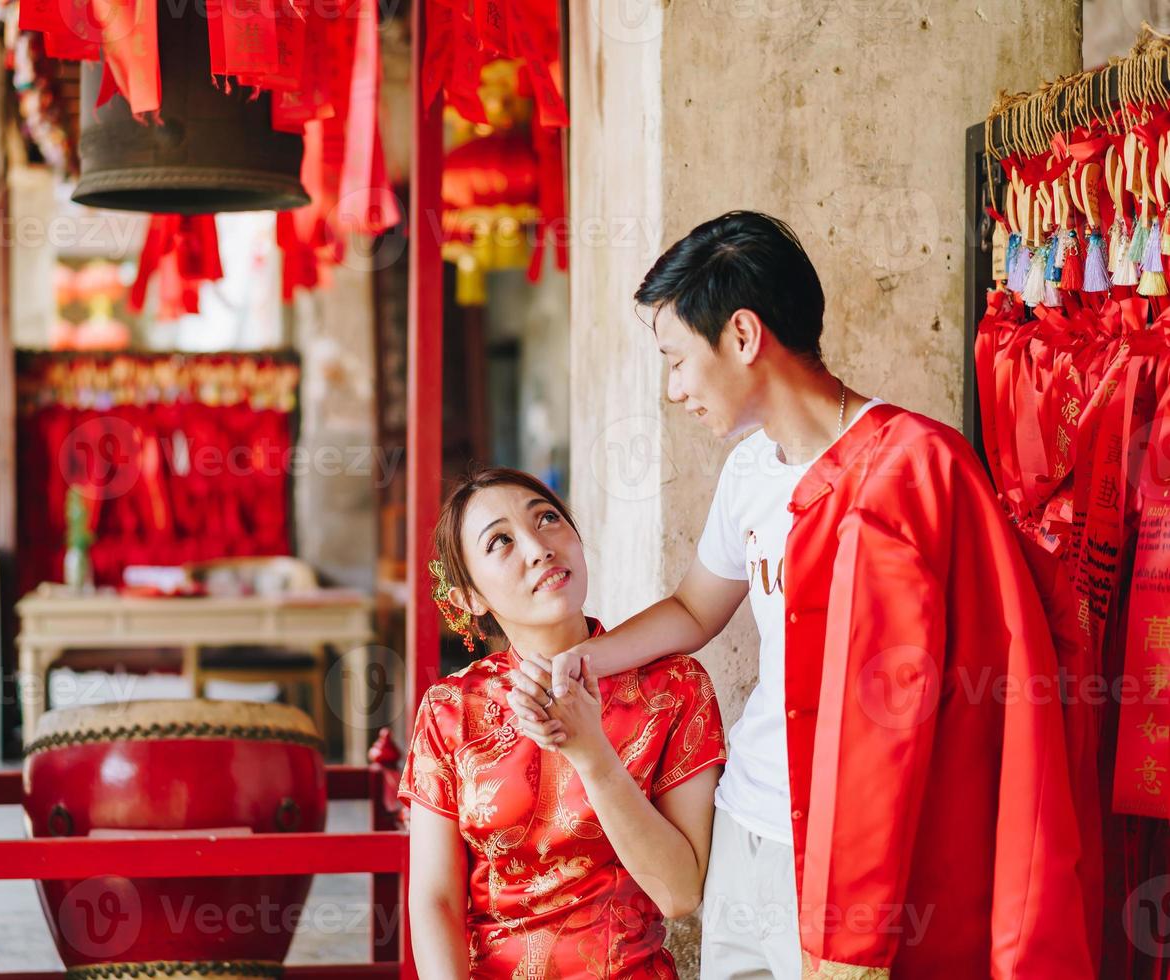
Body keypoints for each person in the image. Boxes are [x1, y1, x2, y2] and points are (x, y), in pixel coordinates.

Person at [507, 211, 1094, 978]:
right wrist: (582, 659)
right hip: (750, 825)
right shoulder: (750, 472)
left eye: (677, 359)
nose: (674, 390)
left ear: (744, 336)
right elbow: (693, 609)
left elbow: (992, 690)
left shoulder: (919, 467)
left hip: (864, 854)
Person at [400, 466, 727, 979]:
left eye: (548, 518)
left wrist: (592, 753)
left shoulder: (674, 687)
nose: (538, 546)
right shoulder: (451, 709)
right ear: (470, 599)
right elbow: (435, 900)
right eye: (500, 542)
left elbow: (679, 892)